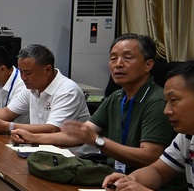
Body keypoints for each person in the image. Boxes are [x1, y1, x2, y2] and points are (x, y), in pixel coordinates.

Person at [12, 34, 177, 177]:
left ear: (148, 65)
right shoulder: (116, 97)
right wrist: (32, 137)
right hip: (115, 176)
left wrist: (98, 141)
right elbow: (79, 136)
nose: (118, 64)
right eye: (113, 58)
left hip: (149, 184)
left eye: (127, 58)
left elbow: (150, 156)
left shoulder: (157, 101)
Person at [103, 62, 194, 191]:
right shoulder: (186, 136)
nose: (166, 111)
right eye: (166, 102)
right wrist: (129, 181)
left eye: (174, 100)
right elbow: (158, 171)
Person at [0, 44, 90, 135]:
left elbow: (53, 129)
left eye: (28, 73)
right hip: (40, 146)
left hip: (71, 153)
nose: (23, 77)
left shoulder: (67, 91)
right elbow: (8, 112)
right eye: (21, 72)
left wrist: (9, 127)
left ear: (47, 70)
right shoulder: (31, 88)